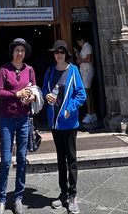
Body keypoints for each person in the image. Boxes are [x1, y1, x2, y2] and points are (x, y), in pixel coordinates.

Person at [0, 38, 36, 214]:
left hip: (24, 118)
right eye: (17, 50)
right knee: (5, 160)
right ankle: (1, 200)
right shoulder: (5, 69)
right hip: (7, 119)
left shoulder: (30, 70)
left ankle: (18, 197)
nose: (20, 53)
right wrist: (16, 93)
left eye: (23, 50)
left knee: (21, 158)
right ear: (12, 52)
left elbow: (34, 90)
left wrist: (31, 97)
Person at [43, 40, 86, 214]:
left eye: (62, 52)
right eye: (56, 52)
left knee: (72, 159)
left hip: (68, 122)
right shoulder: (50, 70)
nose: (59, 55)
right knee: (61, 159)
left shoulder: (73, 71)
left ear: (66, 55)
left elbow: (81, 94)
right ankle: (63, 192)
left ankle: (73, 195)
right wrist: (47, 96)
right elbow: (45, 89)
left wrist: (69, 110)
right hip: (55, 122)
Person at [74, 37, 97, 124]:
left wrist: (80, 60)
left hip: (87, 71)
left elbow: (88, 59)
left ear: (82, 40)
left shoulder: (87, 46)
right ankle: (92, 112)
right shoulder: (84, 48)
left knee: (86, 92)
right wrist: (78, 54)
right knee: (88, 91)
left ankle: (90, 113)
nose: (79, 44)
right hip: (84, 71)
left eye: (79, 42)